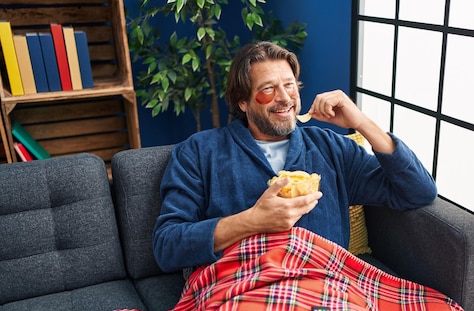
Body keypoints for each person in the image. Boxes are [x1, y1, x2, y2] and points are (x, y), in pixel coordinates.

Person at [153, 41, 437, 272]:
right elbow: (167, 247)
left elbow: (418, 192)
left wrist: (362, 122)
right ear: (243, 101)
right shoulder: (199, 152)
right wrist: (252, 221)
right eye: (268, 89)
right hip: (242, 295)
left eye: (289, 85)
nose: (285, 98)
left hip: (326, 290)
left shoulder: (331, 148)